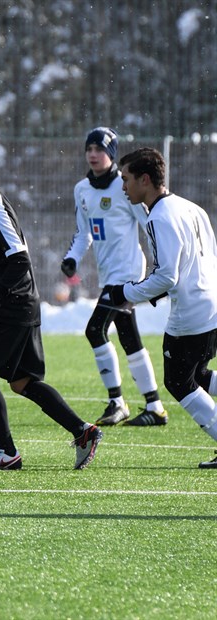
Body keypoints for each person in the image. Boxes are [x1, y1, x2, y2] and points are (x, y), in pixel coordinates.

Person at [0, 142, 103, 470]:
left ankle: (6, 453)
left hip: (12, 305)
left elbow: (19, 259)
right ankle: (82, 431)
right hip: (20, 302)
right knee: (22, 382)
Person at [107, 147, 217, 469]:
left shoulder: (158, 216)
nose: (123, 187)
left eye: (126, 179)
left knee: (178, 381)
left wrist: (126, 292)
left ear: (145, 179)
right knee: (197, 374)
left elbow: (168, 275)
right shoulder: (191, 207)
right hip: (211, 303)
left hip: (192, 313)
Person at [61, 127, 167, 426]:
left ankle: (117, 402)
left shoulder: (126, 187)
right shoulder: (82, 189)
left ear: (111, 153)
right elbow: (84, 232)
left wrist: (162, 264)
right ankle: (155, 406)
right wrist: (72, 258)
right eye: (89, 149)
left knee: (95, 330)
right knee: (129, 337)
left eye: (100, 149)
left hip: (128, 274)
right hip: (109, 275)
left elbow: (150, 225)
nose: (93, 154)